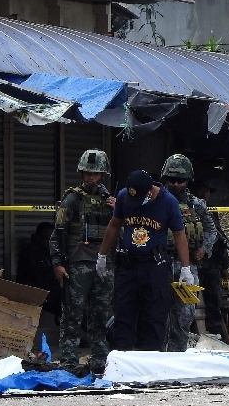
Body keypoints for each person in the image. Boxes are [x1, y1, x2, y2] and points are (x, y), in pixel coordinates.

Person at [99, 169, 193, 351]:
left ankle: (149, 361)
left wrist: (185, 267)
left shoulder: (168, 202)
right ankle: (122, 361)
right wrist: (101, 255)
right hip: (128, 265)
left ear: (150, 191)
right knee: (123, 315)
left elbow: (179, 234)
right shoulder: (124, 196)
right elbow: (114, 225)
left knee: (153, 318)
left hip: (155, 266)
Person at [49, 150, 116, 375]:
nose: (91, 177)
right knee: (72, 315)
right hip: (78, 263)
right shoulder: (72, 199)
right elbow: (57, 234)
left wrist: (118, 210)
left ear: (103, 175)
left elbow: (122, 231)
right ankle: (68, 361)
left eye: (95, 173)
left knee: (100, 315)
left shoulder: (109, 201)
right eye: (87, 172)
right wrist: (58, 264)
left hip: (103, 264)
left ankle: (100, 361)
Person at [161, 155, 216, 351]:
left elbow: (211, 229)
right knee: (160, 315)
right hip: (162, 264)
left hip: (188, 267)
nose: (176, 184)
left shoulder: (196, 205)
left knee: (185, 314)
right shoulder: (155, 201)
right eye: (172, 180)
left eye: (181, 181)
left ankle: (178, 353)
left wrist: (204, 248)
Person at [193, 180, 229, 343]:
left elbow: (220, 240)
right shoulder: (190, 208)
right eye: (201, 190)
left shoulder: (211, 211)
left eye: (207, 191)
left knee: (214, 300)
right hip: (194, 260)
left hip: (212, 262)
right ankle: (191, 333)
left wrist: (224, 267)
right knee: (190, 301)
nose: (204, 194)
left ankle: (215, 335)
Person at [17, 222, 61, 322]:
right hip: (35, 295)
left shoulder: (49, 252)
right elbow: (38, 277)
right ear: (38, 237)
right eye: (47, 238)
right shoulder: (31, 253)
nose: (50, 242)